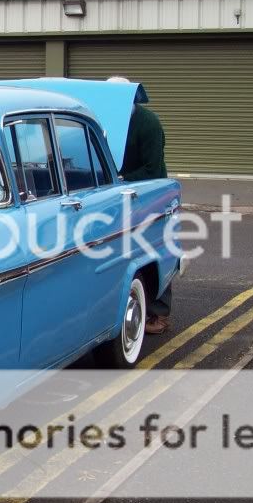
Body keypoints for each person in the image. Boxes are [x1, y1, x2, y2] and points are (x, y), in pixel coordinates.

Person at [108, 76, 171, 334]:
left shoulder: (148, 124)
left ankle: (160, 313)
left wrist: (123, 179)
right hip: (119, 193)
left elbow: (153, 168)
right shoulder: (109, 121)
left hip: (149, 193)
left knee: (154, 247)